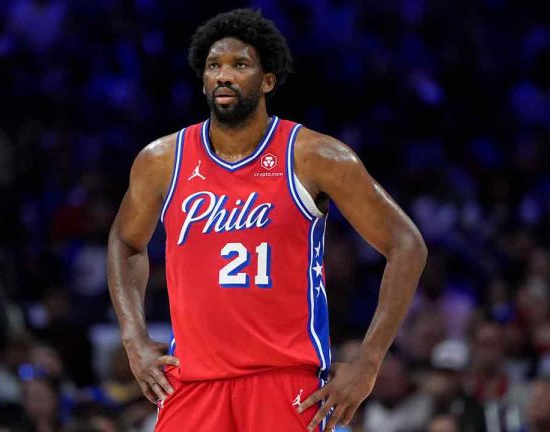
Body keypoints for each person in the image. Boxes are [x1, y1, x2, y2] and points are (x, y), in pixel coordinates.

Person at [106, 8, 427, 431]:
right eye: (214, 66)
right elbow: (125, 241)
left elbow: (407, 245)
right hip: (193, 383)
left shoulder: (315, 156)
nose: (224, 75)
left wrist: (368, 364)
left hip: (285, 383)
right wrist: (134, 337)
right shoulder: (162, 160)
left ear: (268, 80)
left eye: (239, 65)